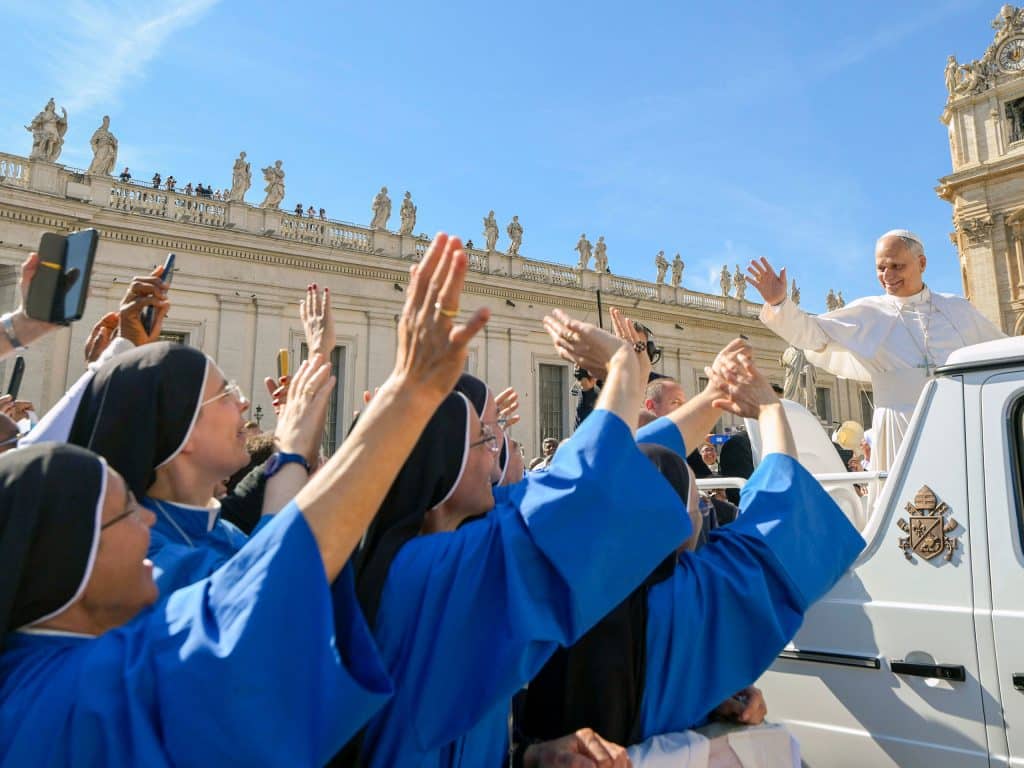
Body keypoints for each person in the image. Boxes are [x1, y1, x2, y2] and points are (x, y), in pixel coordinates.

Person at [0, 233, 489, 766]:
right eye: (225, 393)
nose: (241, 405)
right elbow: (261, 606)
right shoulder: (89, 682)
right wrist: (404, 399)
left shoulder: (207, 538)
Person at [344, 306, 694, 766]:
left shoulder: (421, 559)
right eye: (484, 439)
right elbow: (580, 494)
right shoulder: (427, 573)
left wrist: (531, 755)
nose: (496, 455)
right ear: (441, 466)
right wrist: (625, 371)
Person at [519, 344, 865, 757]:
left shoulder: (547, 581)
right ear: (675, 519)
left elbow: (605, 474)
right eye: (697, 501)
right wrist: (770, 409)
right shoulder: (699, 600)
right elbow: (780, 507)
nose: (703, 508)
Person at [747, 230, 1005, 470]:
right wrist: (779, 302)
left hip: (959, 427)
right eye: (881, 268)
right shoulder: (869, 313)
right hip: (898, 432)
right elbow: (813, 334)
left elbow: (1002, 353)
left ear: (922, 263)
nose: (888, 276)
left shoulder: (958, 310)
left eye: (897, 266)